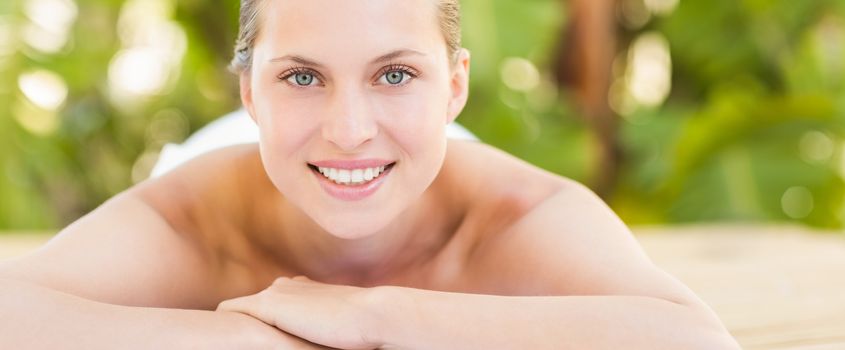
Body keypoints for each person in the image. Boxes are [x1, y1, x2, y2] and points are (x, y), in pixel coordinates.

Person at [0, 0, 740, 349]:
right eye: (300, 76)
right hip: (252, 157)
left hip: (402, 161)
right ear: (250, 90)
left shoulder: (519, 212)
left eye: (394, 73)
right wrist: (261, 341)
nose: (349, 126)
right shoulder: (187, 214)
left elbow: (694, 340)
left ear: (453, 87)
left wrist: (378, 315)